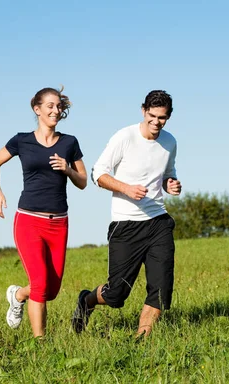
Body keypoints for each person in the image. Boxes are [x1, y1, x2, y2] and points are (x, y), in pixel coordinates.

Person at [71, 90, 182, 338]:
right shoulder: (125, 137)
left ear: (169, 117)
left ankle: (141, 340)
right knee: (117, 293)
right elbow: (98, 174)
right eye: (152, 116)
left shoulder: (170, 141)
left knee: (161, 291)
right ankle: (86, 301)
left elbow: (167, 173)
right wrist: (126, 188)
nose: (156, 122)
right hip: (126, 224)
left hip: (158, 222)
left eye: (162, 118)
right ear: (143, 111)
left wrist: (171, 184)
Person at [0, 86, 87, 338]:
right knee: (41, 286)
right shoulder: (22, 140)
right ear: (37, 109)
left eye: (58, 106)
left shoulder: (69, 142)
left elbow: (83, 181)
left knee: (51, 291)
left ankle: (18, 294)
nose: (56, 110)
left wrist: (67, 169)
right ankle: (39, 343)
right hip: (29, 221)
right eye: (50, 106)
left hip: (59, 223)